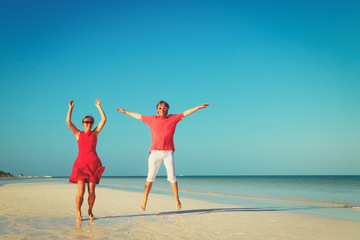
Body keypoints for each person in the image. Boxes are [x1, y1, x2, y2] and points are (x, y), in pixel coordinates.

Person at [117, 101, 209, 211]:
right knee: (150, 177)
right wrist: (125, 112)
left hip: (168, 152)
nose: (162, 109)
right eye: (160, 108)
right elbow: (138, 116)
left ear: (167, 109)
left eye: (164, 108)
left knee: (172, 177)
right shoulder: (152, 119)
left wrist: (198, 107)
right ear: (157, 109)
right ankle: (144, 200)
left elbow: (185, 113)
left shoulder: (173, 118)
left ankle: (177, 199)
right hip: (155, 152)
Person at [66, 99, 107, 221]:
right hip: (81, 165)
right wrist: (70, 108)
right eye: (86, 122)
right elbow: (68, 121)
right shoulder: (78, 134)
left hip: (93, 165)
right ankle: (78, 212)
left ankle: (89, 210)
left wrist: (99, 107)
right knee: (81, 191)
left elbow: (104, 120)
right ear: (83, 123)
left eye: (91, 122)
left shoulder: (95, 133)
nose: (89, 124)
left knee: (91, 192)